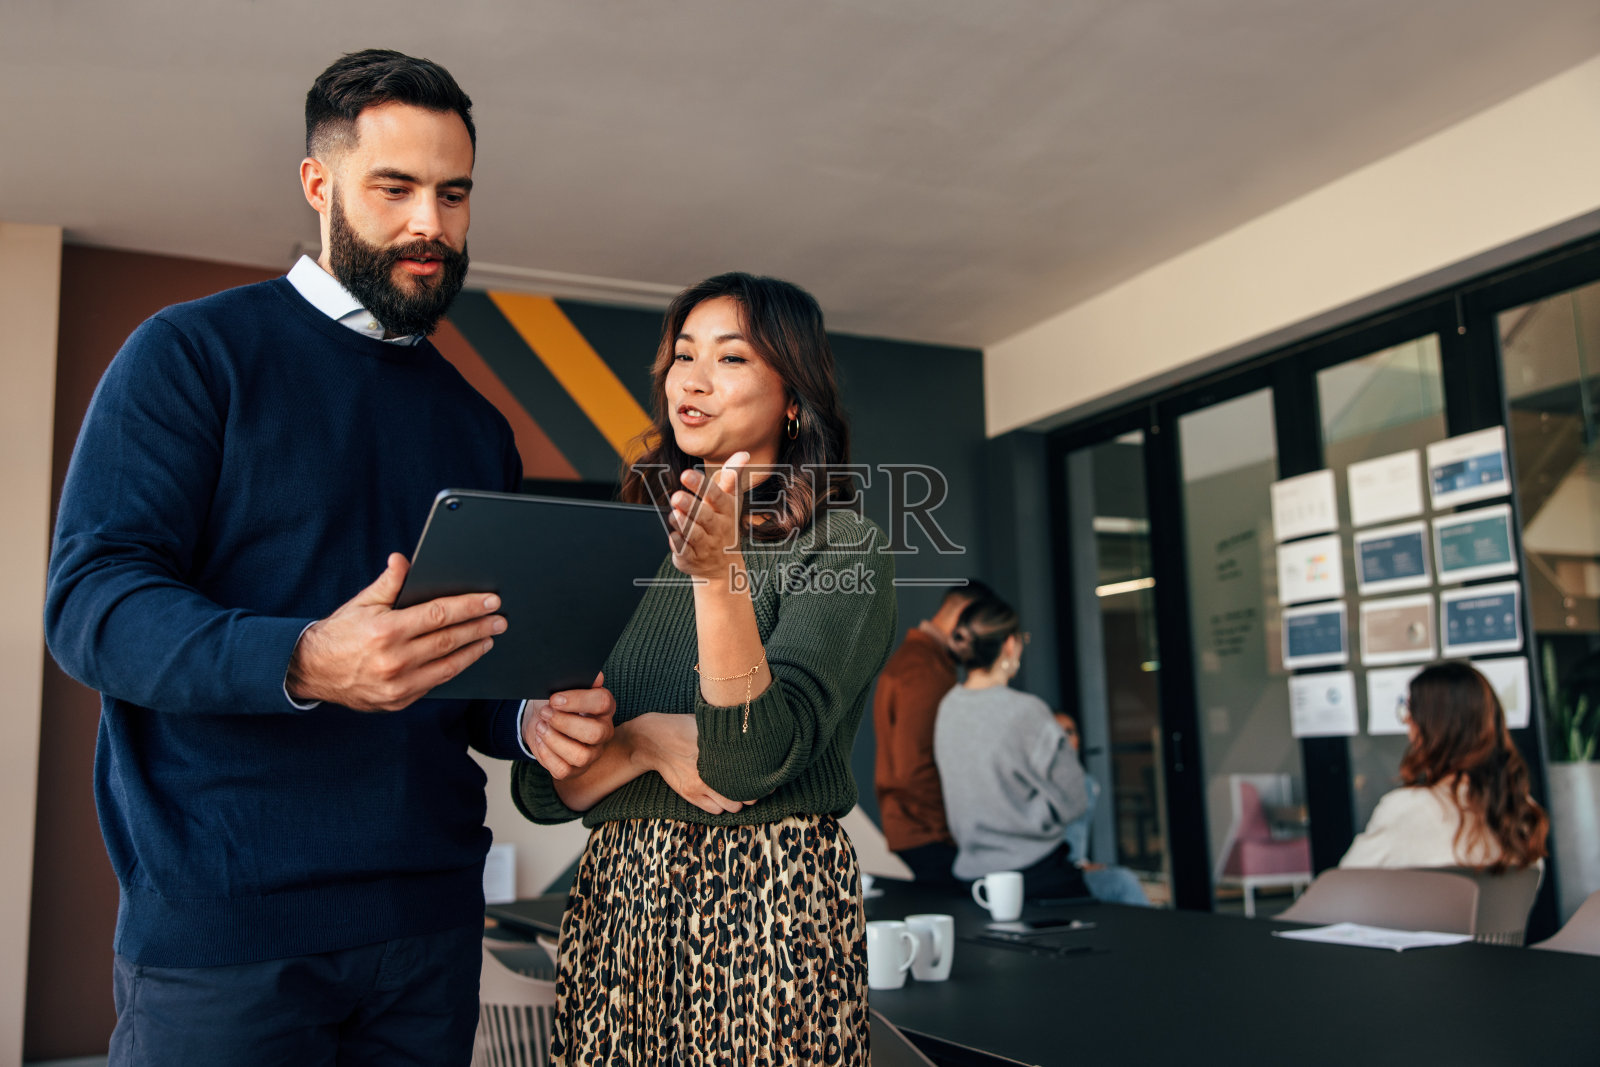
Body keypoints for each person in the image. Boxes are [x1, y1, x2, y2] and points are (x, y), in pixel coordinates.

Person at [44, 50, 614, 1066]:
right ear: (320, 185)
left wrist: (527, 715)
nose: (428, 224)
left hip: (430, 929)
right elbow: (93, 605)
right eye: (393, 189)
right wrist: (306, 657)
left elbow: (461, 653)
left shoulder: (477, 423)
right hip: (228, 937)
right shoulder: (190, 355)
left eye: (452, 193)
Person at [511, 272, 897, 1065]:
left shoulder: (842, 548)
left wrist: (719, 573)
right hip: (618, 903)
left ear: (794, 396)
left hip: (770, 904)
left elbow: (747, 759)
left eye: (730, 358)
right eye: (683, 355)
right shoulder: (621, 550)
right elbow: (547, 784)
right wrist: (647, 740)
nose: (691, 378)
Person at [934, 595, 1090, 900]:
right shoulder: (1026, 711)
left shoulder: (947, 708)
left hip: (974, 880)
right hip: (1037, 875)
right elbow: (1076, 799)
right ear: (1009, 645)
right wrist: (1035, 818)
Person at [1341, 661, 1548, 872]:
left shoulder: (1407, 809)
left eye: (1411, 711)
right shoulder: (1517, 809)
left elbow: (1342, 891)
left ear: (1432, 728)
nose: (1406, 724)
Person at [873, 580, 994, 882]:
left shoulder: (923, 661)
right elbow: (915, 766)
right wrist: (950, 831)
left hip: (919, 828)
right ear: (963, 617)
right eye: (979, 629)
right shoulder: (924, 670)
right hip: (929, 831)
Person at [1053, 711, 1151, 906]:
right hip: (1052, 875)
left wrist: (1082, 863)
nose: (1065, 739)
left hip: (1074, 870)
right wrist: (1075, 868)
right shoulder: (1036, 787)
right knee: (1123, 882)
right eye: (1057, 732)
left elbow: (1076, 839)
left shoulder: (1088, 784)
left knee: (1120, 879)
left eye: (1070, 732)